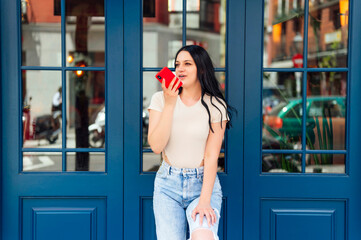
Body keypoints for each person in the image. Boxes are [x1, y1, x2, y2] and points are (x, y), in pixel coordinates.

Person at [147, 45, 235, 240]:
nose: (180, 69)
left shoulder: (216, 105)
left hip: (202, 184)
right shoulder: (160, 99)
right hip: (167, 185)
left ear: (201, 69)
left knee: (203, 237)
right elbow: (156, 146)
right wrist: (170, 104)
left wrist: (204, 200)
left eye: (187, 64)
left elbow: (212, 156)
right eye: (177, 64)